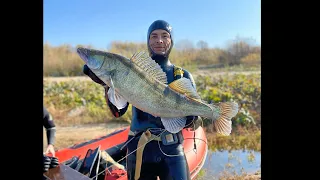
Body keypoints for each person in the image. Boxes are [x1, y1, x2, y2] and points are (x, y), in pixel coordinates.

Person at [83, 20, 200, 180]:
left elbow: (194, 122)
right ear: (148, 40)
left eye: (165, 36)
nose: (159, 40)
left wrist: (192, 118)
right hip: (139, 148)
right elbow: (118, 111)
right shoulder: (131, 71)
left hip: (172, 147)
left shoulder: (182, 75)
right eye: (154, 36)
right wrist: (106, 85)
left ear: (171, 40)